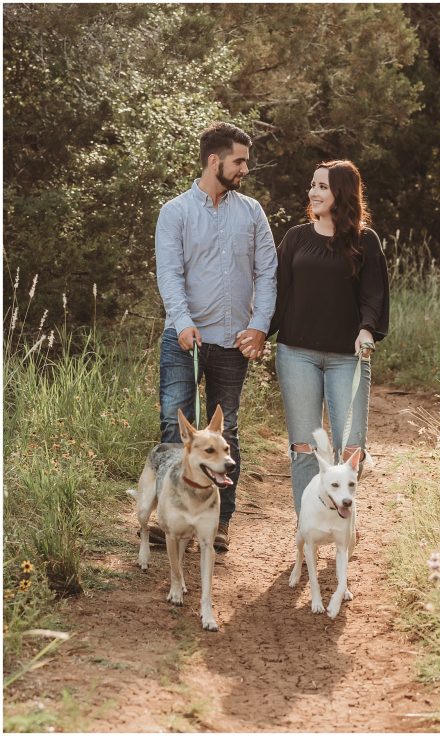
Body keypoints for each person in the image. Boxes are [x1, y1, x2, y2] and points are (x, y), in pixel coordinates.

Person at [154, 121, 278, 553]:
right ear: (215, 160)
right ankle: (172, 515)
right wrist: (183, 320)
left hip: (232, 342)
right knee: (176, 425)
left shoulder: (252, 213)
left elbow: (267, 273)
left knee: (230, 432)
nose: (245, 167)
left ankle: (220, 520)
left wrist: (260, 324)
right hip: (183, 338)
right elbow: (169, 274)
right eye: (239, 160)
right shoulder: (175, 212)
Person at [267, 160, 389, 516]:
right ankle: (308, 524)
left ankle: (341, 518)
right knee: (305, 447)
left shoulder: (365, 240)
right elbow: (278, 294)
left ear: (342, 192)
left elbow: (374, 294)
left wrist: (367, 329)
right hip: (296, 354)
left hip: (347, 359)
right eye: (312, 185)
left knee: (351, 448)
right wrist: (258, 333)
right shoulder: (296, 238)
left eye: (322, 186)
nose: (313, 192)